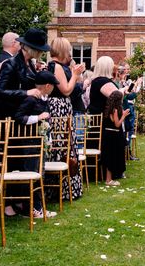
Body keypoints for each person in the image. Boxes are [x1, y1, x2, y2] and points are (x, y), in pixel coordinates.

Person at [13, 70, 55, 219]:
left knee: (40, 175)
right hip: (29, 142)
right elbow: (18, 117)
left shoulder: (45, 99)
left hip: (40, 141)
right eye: (53, 85)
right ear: (47, 85)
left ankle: (37, 207)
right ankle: (31, 208)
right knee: (32, 175)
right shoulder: (31, 99)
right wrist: (37, 117)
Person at [46, 37, 84, 200]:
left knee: (66, 146)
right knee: (62, 146)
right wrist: (75, 75)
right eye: (68, 50)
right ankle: (60, 190)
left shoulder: (62, 66)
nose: (70, 53)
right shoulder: (56, 67)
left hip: (64, 108)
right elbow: (66, 90)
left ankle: (67, 188)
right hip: (59, 108)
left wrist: (76, 74)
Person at [0, 28, 48, 120]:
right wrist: (26, 92)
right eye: (39, 50)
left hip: (26, 114)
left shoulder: (30, 63)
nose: (41, 52)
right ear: (32, 49)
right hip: (10, 117)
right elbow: (0, 91)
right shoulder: (10, 64)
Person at [101, 91, 129, 186]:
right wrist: (124, 115)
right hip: (112, 135)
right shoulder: (115, 110)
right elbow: (117, 124)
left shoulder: (108, 108)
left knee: (111, 156)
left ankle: (112, 177)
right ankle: (108, 180)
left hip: (108, 134)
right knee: (111, 157)